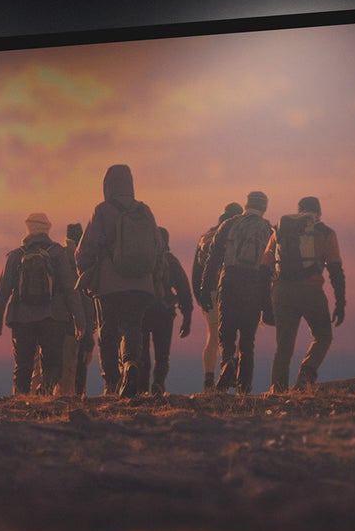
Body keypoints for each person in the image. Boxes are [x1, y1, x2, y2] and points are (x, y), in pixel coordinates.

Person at [76, 163, 161, 397]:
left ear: (107, 185)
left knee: (108, 331)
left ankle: (112, 382)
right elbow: (158, 246)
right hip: (141, 284)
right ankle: (131, 364)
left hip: (110, 283)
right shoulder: (144, 211)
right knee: (133, 327)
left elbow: (85, 249)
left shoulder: (102, 210)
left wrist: (84, 269)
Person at [0, 211, 74, 394]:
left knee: (23, 365)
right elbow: (69, 289)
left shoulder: (15, 256)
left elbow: (2, 292)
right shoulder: (58, 253)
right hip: (53, 316)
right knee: (52, 363)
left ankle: (20, 402)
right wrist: (80, 320)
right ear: (47, 229)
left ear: (28, 228)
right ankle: (45, 394)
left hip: (21, 317)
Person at [269, 195, 346, 392]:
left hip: (282, 291)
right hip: (311, 291)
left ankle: (277, 390)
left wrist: (265, 303)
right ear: (318, 213)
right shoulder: (325, 232)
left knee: (284, 345)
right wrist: (340, 303)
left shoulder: (280, 230)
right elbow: (335, 270)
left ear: (298, 211)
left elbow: (264, 267)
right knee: (323, 336)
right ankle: (305, 376)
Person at [208, 191, 277, 394]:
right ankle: (244, 389)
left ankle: (228, 362)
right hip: (254, 286)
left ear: (246, 205)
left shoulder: (230, 224)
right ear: (264, 208)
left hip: (229, 282)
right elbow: (272, 268)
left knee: (226, 335)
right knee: (247, 341)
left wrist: (206, 289)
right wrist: (268, 302)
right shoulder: (269, 230)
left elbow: (214, 258)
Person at [189, 200, 242, 390]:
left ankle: (209, 380)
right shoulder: (240, 233)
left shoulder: (207, 236)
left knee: (212, 336)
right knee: (237, 334)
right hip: (234, 290)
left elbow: (197, 271)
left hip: (209, 291)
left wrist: (200, 296)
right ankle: (233, 370)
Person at [144, 226, 195, 393]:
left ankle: (140, 389)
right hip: (164, 313)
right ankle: (158, 384)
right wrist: (186, 318)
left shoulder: (142, 260)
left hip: (143, 313)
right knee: (162, 355)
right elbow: (184, 290)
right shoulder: (171, 261)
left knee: (141, 353)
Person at [61, 221, 96, 397]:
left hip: (59, 321)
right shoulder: (85, 259)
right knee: (81, 363)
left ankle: (55, 397)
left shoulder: (57, 257)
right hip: (81, 322)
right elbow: (87, 304)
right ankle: (78, 396)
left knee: (60, 366)